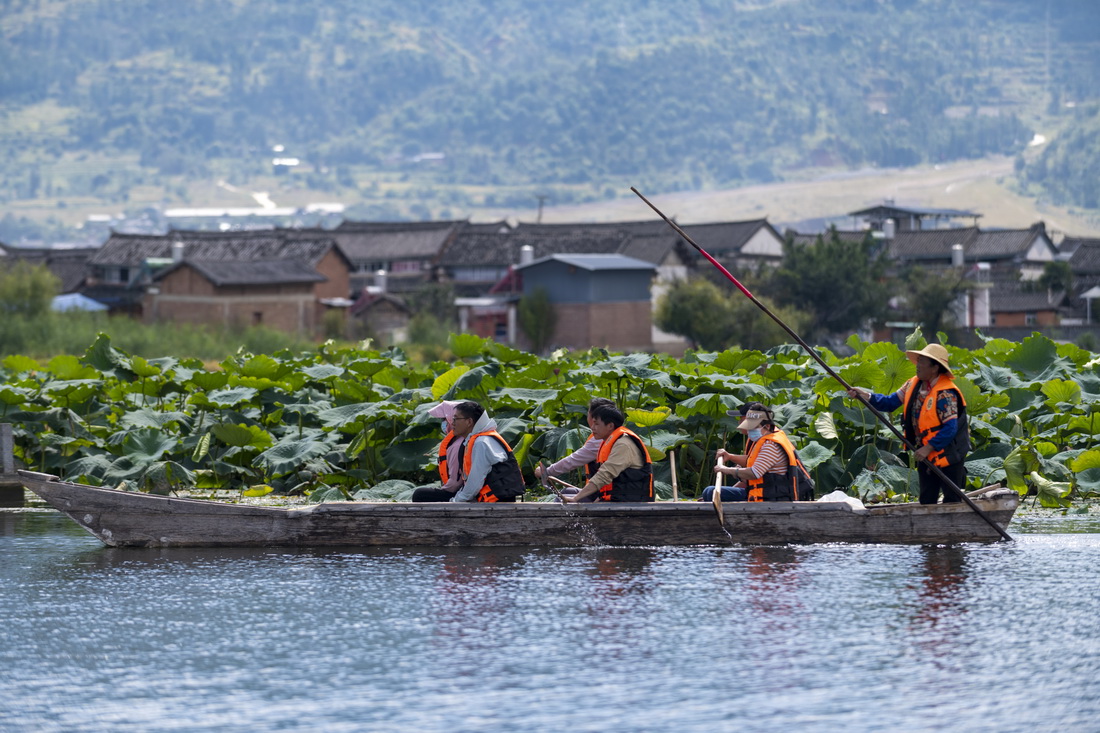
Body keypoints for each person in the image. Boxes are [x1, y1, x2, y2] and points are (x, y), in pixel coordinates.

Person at [846, 343, 969, 505]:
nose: (917, 365)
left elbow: (950, 428)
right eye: (918, 361)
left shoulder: (946, 393)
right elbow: (890, 402)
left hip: (950, 453)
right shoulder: (912, 384)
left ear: (935, 368)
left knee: (952, 500)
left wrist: (928, 447)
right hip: (925, 454)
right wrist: (867, 396)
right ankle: (929, 528)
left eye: (922, 362)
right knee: (926, 499)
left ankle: (955, 528)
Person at [413, 401, 525, 503]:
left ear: (469, 422)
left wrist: (455, 501)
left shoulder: (481, 443)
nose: (452, 423)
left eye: (455, 419)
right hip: (488, 499)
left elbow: (475, 482)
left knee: (420, 495)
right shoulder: (476, 440)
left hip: (497, 503)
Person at [701, 402, 813, 503]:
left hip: (771, 498)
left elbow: (755, 473)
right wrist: (730, 457)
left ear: (767, 426)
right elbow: (751, 464)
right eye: (749, 428)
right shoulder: (763, 440)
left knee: (710, 491)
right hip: (764, 494)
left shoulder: (770, 445)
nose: (750, 432)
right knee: (710, 493)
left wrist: (726, 470)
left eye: (753, 428)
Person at [561, 403, 653, 503]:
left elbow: (605, 475)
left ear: (610, 426)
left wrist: (575, 498)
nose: (592, 427)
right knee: (566, 492)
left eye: (596, 424)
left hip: (630, 502)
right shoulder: (610, 441)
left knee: (566, 502)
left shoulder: (623, 445)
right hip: (615, 499)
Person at [534, 397, 616, 502]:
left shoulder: (601, 440)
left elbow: (573, 460)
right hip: (601, 491)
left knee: (560, 501)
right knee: (565, 492)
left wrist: (547, 472)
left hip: (608, 497)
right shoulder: (611, 434)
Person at [409, 400, 465, 502]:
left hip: (461, 493)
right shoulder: (464, 439)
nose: (443, 423)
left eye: (444, 419)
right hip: (464, 490)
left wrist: (442, 491)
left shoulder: (457, 445)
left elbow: (455, 483)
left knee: (419, 494)